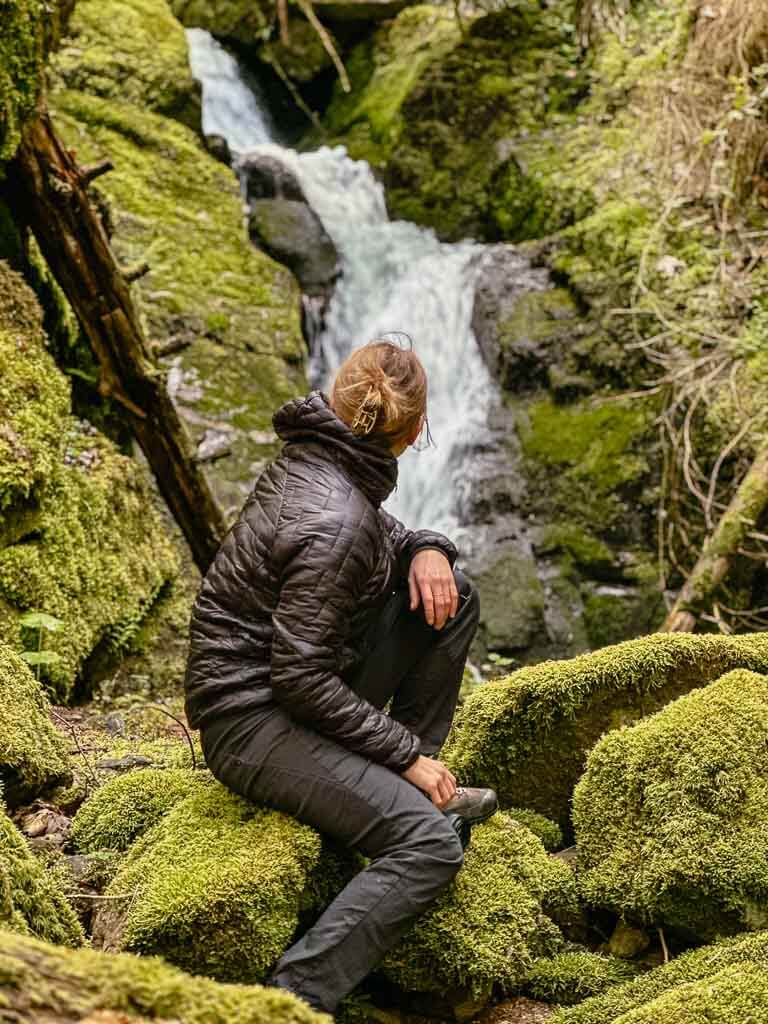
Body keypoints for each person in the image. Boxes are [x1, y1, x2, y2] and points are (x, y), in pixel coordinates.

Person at [184, 339, 497, 1015]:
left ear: (338, 398)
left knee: (453, 596)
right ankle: (291, 998)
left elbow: (378, 530)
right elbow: (300, 679)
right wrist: (405, 753)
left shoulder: (317, 460)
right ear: (415, 433)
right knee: (428, 849)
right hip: (253, 722)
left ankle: (403, 794)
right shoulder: (338, 521)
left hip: (289, 689)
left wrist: (428, 547)